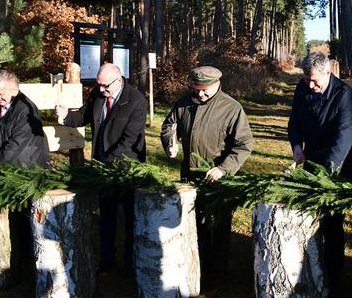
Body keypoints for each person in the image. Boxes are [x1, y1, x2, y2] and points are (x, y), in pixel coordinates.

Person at [161, 65, 253, 281]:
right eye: (196, 88)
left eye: (205, 90)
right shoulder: (183, 103)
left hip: (218, 180)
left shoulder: (232, 108)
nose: (200, 94)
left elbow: (243, 145)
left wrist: (223, 169)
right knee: (194, 225)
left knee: (219, 228)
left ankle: (217, 273)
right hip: (189, 179)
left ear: (216, 84)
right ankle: (197, 267)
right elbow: (168, 126)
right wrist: (169, 143)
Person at [56, 63, 147, 274]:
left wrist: (106, 164)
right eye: (98, 85)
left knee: (129, 217)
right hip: (102, 164)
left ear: (119, 80)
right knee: (107, 216)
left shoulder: (136, 101)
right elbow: (84, 116)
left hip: (127, 167)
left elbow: (129, 141)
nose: (101, 90)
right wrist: (66, 116)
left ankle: (130, 262)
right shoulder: (98, 95)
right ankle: (107, 260)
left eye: (105, 86)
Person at [287, 51, 352, 287]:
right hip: (310, 160)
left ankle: (334, 276)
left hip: (338, 166)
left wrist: (326, 172)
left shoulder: (345, 94)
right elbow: (294, 121)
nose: (311, 85)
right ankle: (307, 267)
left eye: (315, 81)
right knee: (306, 216)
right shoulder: (302, 88)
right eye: (307, 79)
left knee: (332, 223)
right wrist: (297, 147)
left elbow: (345, 135)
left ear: (328, 73)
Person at [0, 70, 50, 276]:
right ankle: (19, 262)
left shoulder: (25, 110)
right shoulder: (3, 105)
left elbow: (16, 147)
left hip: (25, 172)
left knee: (25, 219)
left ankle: (31, 266)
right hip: (9, 170)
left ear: (14, 89)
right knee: (15, 218)